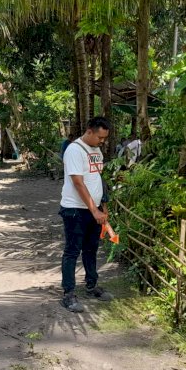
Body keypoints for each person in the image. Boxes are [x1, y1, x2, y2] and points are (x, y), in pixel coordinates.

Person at [59, 116, 115, 313]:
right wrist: (94, 210)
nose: (102, 142)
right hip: (75, 210)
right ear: (89, 131)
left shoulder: (96, 150)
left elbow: (98, 178)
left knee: (91, 250)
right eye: (100, 137)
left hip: (95, 209)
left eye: (104, 138)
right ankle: (68, 294)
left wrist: (103, 207)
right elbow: (78, 183)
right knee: (72, 251)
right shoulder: (74, 150)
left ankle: (91, 286)